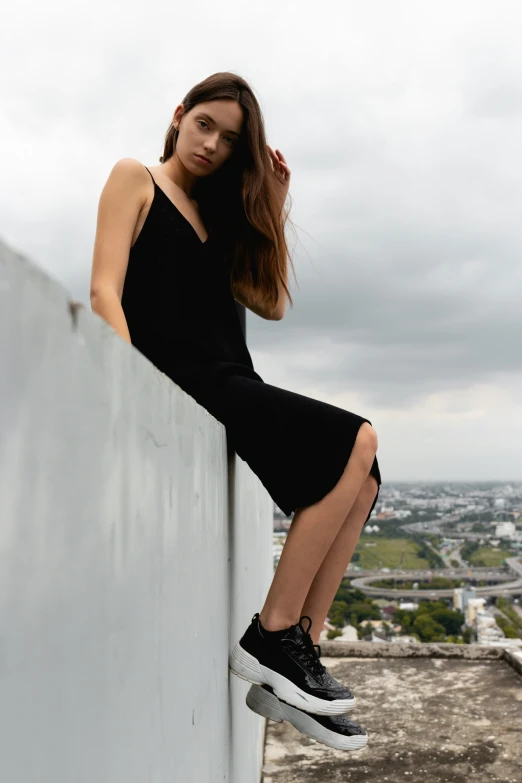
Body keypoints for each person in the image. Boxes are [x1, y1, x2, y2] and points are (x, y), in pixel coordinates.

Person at [90, 71, 381, 751]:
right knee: (357, 438)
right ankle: (274, 635)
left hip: (231, 377)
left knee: (365, 479)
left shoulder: (220, 220)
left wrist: (274, 203)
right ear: (179, 115)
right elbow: (105, 292)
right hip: (185, 378)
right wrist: (134, 397)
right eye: (205, 125)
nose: (212, 145)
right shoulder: (135, 179)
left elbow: (271, 301)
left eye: (228, 140)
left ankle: (293, 659)